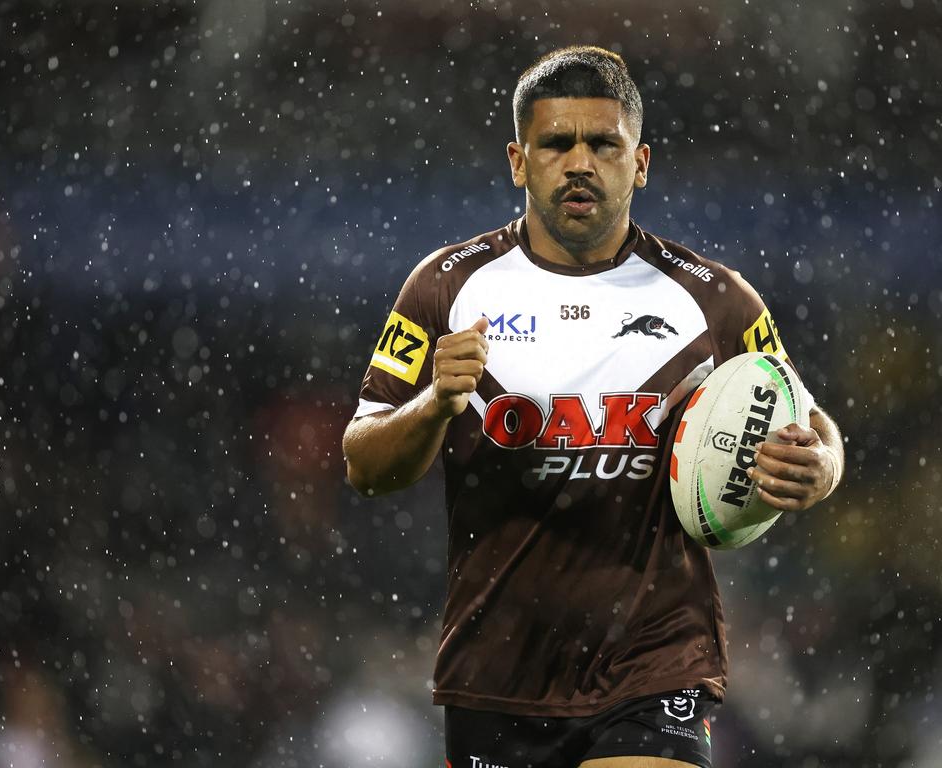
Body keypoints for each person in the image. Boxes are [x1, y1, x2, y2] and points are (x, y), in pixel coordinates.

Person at [343, 45, 845, 768]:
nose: (580, 162)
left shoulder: (712, 298)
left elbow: (809, 414)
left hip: (654, 660)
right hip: (498, 669)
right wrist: (434, 404)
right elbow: (364, 463)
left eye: (604, 144)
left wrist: (820, 464)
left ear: (640, 162)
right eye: (556, 143)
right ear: (518, 160)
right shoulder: (445, 290)